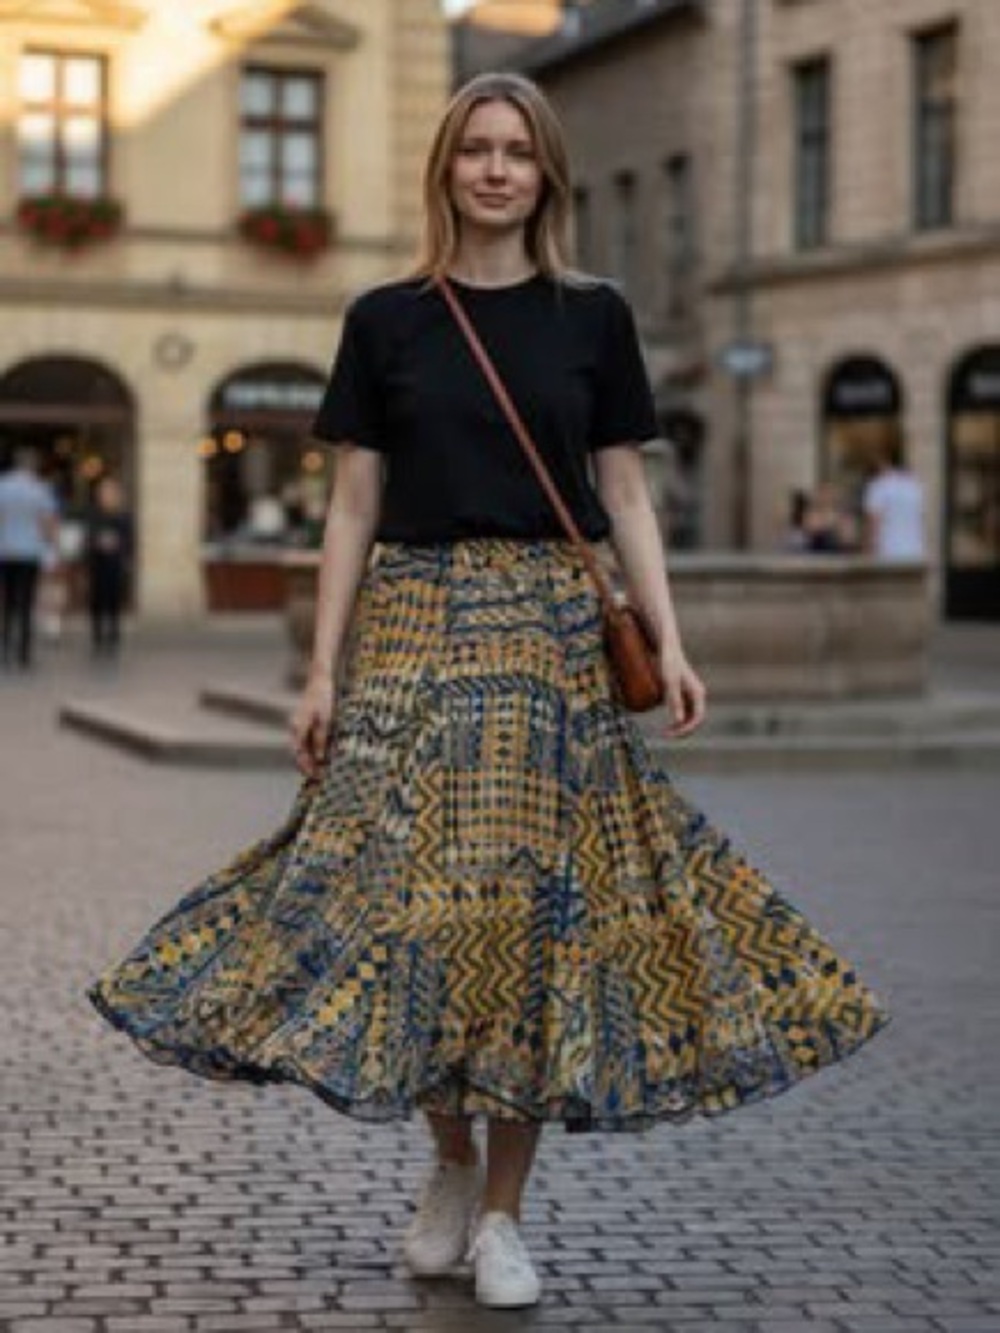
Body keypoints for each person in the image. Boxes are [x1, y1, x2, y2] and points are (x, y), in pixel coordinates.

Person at [87, 72, 890, 1310]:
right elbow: (353, 502)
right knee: (410, 908)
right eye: (478, 150)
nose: (498, 170)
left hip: (550, 640)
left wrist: (667, 641)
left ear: (546, 173)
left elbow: (624, 493)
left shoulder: (593, 317)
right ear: (447, 169)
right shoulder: (386, 317)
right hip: (411, 622)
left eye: (519, 151)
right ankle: (448, 1165)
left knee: (532, 921)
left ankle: (505, 1214)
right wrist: (320, 667)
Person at [0, 445, 59, 669]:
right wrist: (53, 549)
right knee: (26, 602)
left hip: (5, 552)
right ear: (33, 466)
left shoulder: (2, 486)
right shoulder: (41, 489)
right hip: (30, 553)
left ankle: (5, 647)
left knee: (7, 601)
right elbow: (48, 523)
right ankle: (24, 652)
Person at [84, 474, 134, 656]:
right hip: (97, 562)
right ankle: (97, 633)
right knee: (97, 599)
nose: (106, 495)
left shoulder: (123, 515)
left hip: (114, 562)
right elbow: (87, 537)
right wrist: (96, 543)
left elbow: (129, 539)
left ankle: (113, 632)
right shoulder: (94, 514)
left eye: (110, 491)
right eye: (103, 491)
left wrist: (121, 548)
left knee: (114, 598)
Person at [862, 435, 926, 560]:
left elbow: (873, 523)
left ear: (883, 460)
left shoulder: (878, 486)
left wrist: (867, 552)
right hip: (915, 553)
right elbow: (920, 520)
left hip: (888, 553)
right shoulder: (915, 486)